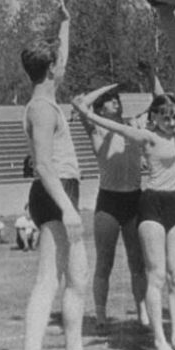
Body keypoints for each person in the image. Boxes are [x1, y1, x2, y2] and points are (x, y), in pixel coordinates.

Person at [17, 0, 115, 350]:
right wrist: (67, 209)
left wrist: (66, 23)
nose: (65, 64)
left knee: (78, 276)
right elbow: (42, 165)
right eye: (60, 60)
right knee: (47, 282)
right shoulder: (41, 109)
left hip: (65, 192)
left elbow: (62, 54)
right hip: (53, 193)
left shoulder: (49, 98)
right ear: (52, 68)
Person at [75, 89, 175, 350]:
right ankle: (105, 316)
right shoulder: (135, 134)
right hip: (114, 201)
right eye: (166, 117)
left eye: (174, 117)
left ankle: (162, 327)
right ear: (156, 118)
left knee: (159, 268)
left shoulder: (170, 130)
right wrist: (92, 109)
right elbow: (106, 121)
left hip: (148, 200)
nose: (173, 121)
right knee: (115, 263)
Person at [75, 84, 149, 332]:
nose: (116, 102)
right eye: (109, 100)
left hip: (134, 200)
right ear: (100, 108)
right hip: (109, 201)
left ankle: (142, 312)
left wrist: (147, 77)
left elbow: (158, 102)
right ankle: (101, 315)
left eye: (117, 98)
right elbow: (80, 104)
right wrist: (107, 86)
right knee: (104, 262)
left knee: (137, 263)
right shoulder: (96, 131)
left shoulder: (133, 126)